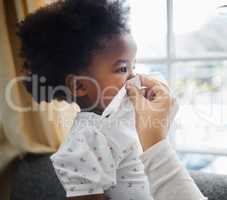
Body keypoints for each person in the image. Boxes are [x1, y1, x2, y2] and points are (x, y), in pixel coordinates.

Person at [17, 0, 207, 199]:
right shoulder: (85, 142)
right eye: (122, 69)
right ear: (80, 86)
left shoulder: (128, 113)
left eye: (134, 66)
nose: (135, 77)